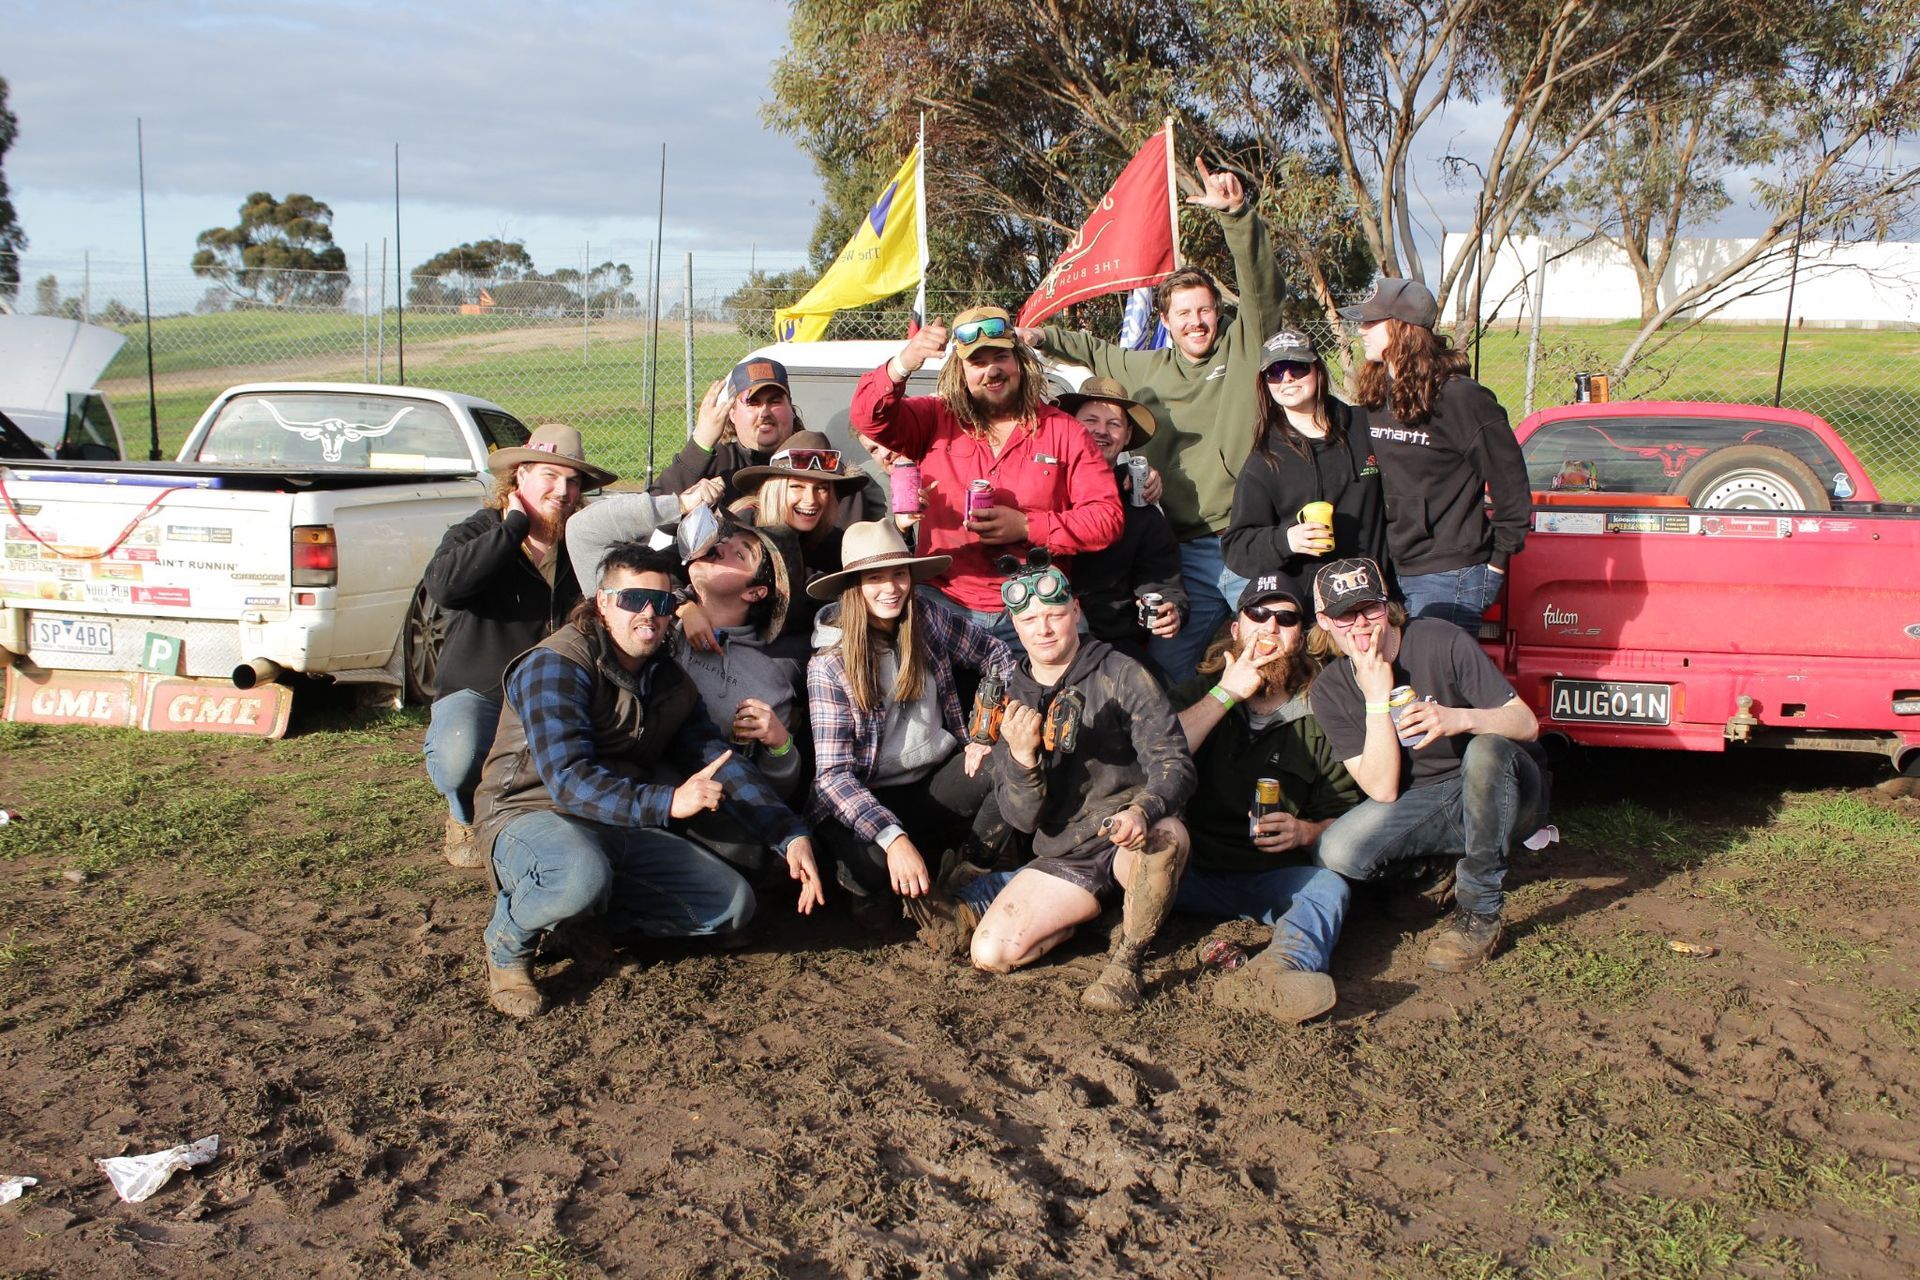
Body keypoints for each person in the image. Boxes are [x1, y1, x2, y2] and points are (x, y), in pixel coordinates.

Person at [471, 541, 825, 1019]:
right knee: (578, 877)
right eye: (632, 599)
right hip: (529, 812)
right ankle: (509, 941)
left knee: (731, 905)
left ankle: (581, 924)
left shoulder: (668, 678)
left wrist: (790, 834)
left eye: (660, 603)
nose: (649, 614)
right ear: (602, 602)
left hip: (616, 822)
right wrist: (668, 803)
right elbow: (567, 781)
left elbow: (718, 759)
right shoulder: (557, 663)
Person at [1017, 158, 1285, 677]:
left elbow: (1263, 293)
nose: (1196, 322)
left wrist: (1237, 217)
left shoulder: (1244, 345)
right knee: (1170, 668)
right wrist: (1041, 335)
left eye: (1204, 310)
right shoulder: (1145, 367)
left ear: (1218, 313)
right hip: (1186, 551)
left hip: (1248, 537)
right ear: (1165, 321)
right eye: (1182, 313)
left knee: (1273, 661)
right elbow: (1091, 350)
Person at [926, 556, 1196, 1012]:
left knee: (1167, 837)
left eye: (1054, 615)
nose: (1043, 629)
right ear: (1013, 622)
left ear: (1075, 611)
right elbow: (1021, 818)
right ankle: (1096, 918)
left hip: (1128, 834)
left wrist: (1142, 810)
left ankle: (1127, 962)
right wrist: (1021, 756)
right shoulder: (1009, 690)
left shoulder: (1122, 672)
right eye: (1029, 619)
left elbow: (1174, 762)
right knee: (989, 954)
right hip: (1067, 849)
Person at [1308, 557, 1543, 971]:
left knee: (1485, 750)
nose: (1361, 624)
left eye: (1370, 609)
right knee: (1336, 852)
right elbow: (1382, 790)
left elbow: (1526, 723)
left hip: (1499, 789)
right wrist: (1377, 699)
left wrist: (1460, 718)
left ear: (1388, 605)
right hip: (1426, 802)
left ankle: (1480, 911)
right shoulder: (1330, 688)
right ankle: (1436, 869)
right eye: (1345, 615)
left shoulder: (1439, 639)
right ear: (1325, 622)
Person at [566, 498, 813, 872]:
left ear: (756, 592)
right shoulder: (645, 615)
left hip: (697, 793)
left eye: (739, 553)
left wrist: (780, 747)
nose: (720, 546)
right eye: (722, 540)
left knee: (755, 856)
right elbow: (583, 531)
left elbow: (767, 791)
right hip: (607, 783)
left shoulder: (769, 678)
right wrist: (682, 601)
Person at [851, 304, 1123, 642]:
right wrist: (904, 362)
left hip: (1033, 605)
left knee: (1068, 682)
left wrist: (1026, 526)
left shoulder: (1064, 431)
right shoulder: (934, 418)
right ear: (960, 371)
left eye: (1000, 358)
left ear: (1020, 362)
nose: (991, 371)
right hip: (942, 601)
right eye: (977, 363)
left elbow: (1106, 518)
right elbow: (868, 417)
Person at [1171, 573, 1363, 1024]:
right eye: (1257, 614)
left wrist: (1307, 831)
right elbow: (1157, 753)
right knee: (1132, 845)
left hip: (1269, 879)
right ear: (1235, 630)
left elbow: (1354, 817)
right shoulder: (1202, 690)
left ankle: (1275, 975)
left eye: (1285, 618)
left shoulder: (1322, 709)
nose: (1269, 628)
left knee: (1330, 887)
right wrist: (1226, 693)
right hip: (1190, 867)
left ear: (1302, 636)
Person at [422, 423, 615, 869]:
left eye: (573, 482)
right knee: (459, 753)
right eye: (550, 475)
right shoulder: (477, 531)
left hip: (554, 692)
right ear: (519, 476)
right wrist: (511, 530)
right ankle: (462, 815)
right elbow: (444, 588)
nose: (563, 490)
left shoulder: (582, 545)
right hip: (481, 691)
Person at [805, 521, 1014, 918]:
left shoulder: (926, 617)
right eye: (875, 578)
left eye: (899, 574)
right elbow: (833, 777)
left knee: (1008, 759)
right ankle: (864, 884)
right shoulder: (828, 665)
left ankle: (968, 874)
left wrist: (983, 731)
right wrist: (893, 838)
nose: (891, 588)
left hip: (929, 779)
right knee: (874, 864)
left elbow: (996, 654)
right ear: (853, 586)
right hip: (867, 795)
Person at [1342, 278, 1532, 631]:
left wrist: (1498, 561)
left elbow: (1512, 487)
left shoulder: (1461, 398)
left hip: (1449, 573)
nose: (1362, 330)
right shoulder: (1377, 393)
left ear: (1403, 328)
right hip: (1387, 568)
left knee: (1437, 683)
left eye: (1371, 321)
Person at [1222, 329, 1390, 609]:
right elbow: (1237, 548)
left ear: (1317, 369)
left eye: (1296, 367)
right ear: (1264, 384)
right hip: (1314, 610)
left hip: (1375, 601)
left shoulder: (1365, 426)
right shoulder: (1264, 461)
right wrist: (1286, 540)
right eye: (1274, 372)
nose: (1286, 378)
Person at [1057, 376, 1187, 674]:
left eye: (1114, 424)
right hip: (1040, 639)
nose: (1101, 431)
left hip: (1112, 647)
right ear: (1071, 426)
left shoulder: (1140, 507)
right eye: (1091, 420)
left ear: (1127, 436)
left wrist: (1171, 609)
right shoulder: (1043, 488)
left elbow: (1162, 581)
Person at [731, 429, 869, 645]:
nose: (811, 499)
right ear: (776, 489)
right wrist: (688, 609)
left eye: (821, 488)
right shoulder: (744, 522)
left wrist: (901, 529)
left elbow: (871, 571)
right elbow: (684, 567)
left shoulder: (828, 540)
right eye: (797, 486)